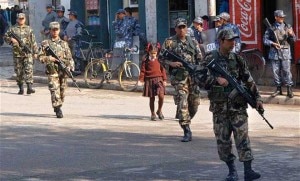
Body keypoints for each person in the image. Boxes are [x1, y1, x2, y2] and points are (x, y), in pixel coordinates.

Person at [203, 29, 262, 181]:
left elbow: (249, 81)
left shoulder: (238, 59)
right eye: (229, 40)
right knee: (223, 142)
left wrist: (258, 99)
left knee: (243, 139)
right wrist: (216, 80)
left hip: (238, 108)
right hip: (220, 109)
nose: (233, 43)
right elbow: (199, 77)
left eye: (234, 40)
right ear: (221, 41)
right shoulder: (210, 58)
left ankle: (248, 171)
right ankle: (232, 171)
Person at [160, 18, 202, 142]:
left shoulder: (193, 41)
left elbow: (199, 58)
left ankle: (185, 117)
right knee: (182, 101)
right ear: (176, 29)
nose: (182, 29)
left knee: (194, 104)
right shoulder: (169, 42)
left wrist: (199, 71)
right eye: (180, 27)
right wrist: (171, 64)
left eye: (184, 27)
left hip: (193, 77)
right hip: (179, 78)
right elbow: (161, 58)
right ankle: (186, 129)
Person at [38, 22, 74, 118]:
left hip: (63, 71)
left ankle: (58, 104)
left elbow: (70, 57)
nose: (55, 31)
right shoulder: (45, 44)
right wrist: (49, 58)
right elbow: (38, 56)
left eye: (56, 29)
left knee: (62, 91)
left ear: (59, 30)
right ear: (50, 30)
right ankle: (57, 108)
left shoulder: (64, 44)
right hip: (52, 71)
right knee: (54, 90)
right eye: (53, 30)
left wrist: (70, 67)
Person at [263, 10, 296, 98]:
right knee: (275, 71)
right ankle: (278, 89)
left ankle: (289, 89)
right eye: (280, 17)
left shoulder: (287, 27)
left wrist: (291, 34)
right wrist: (273, 43)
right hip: (274, 53)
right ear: (276, 17)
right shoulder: (270, 28)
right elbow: (265, 40)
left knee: (287, 71)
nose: (282, 18)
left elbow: (294, 40)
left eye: (283, 17)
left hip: (285, 52)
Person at [4, 13, 39, 94]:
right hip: (17, 54)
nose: (21, 20)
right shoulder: (12, 29)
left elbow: (33, 41)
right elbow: (5, 37)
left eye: (22, 18)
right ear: (17, 19)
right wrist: (11, 40)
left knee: (29, 69)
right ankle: (21, 88)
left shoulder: (29, 29)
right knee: (19, 72)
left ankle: (29, 87)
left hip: (27, 53)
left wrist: (35, 52)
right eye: (19, 19)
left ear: (25, 19)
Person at [139, 42, 167, 121]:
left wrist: (164, 79)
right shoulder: (145, 61)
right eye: (152, 53)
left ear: (157, 52)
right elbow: (142, 71)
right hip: (149, 80)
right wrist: (141, 80)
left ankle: (159, 110)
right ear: (148, 52)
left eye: (155, 53)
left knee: (161, 96)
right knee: (152, 98)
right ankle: (152, 113)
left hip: (159, 79)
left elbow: (163, 70)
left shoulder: (159, 60)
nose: (153, 55)